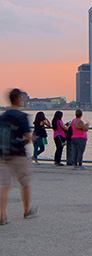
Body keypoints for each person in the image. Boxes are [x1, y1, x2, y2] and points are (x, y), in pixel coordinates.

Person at [1, 88, 38, 224]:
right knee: (25, 183)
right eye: (22, 97)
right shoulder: (22, 117)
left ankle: (2, 215)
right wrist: (32, 138)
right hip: (19, 155)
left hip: (4, 155)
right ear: (17, 98)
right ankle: (27, 211)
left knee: (5, 185)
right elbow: (28, 137)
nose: (23, 100)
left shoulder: (3, 116)